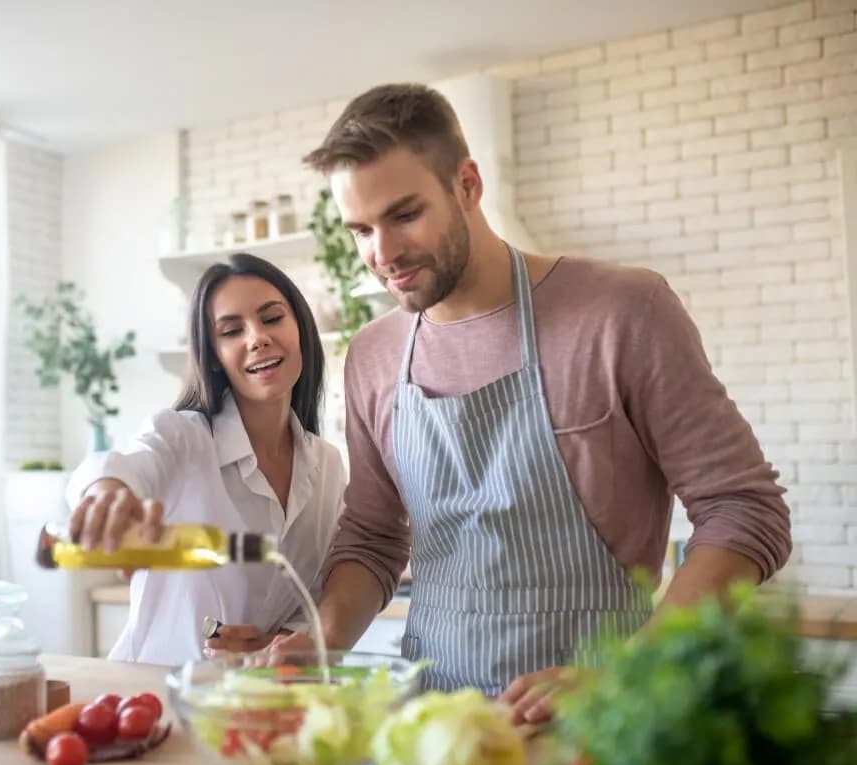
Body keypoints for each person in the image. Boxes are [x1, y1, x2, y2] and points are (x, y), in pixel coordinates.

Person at [268, 82, 791, 724]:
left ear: (467, 183)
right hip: (435, 730)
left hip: (608, 722)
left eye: (405, 215)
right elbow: (375, 536)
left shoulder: (622, 312)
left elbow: (744, 511)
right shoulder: (375, 355)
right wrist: (321, 642)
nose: (383, 254)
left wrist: (629, 671)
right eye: (360, 230)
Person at [63, 253, 346, 667]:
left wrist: (278, 641)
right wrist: (106, 493)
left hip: (255, 703)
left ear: (300, 327)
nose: (257, 338)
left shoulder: (327, 466)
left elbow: (315, 598)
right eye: (232, 331)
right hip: (154, 695)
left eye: (272, 318)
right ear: (214, 355)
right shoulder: (182, 438)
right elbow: (122, 466)